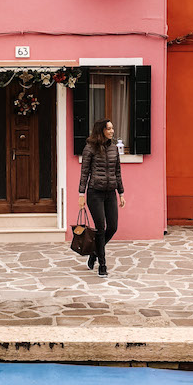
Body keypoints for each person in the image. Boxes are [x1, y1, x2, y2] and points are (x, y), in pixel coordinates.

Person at [78, 118, 126, 277]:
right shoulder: (89, 148)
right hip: (94, 193)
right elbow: (84, 173)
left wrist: (121, 193)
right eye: (109, 129)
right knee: (100, 228)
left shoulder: (113, 149)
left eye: (112, 128)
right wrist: (81, 194)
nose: (112, 131)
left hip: (110, 193)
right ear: (101, 131)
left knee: (112, 227)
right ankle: (102, 265)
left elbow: (117, 172)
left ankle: (94, 253)